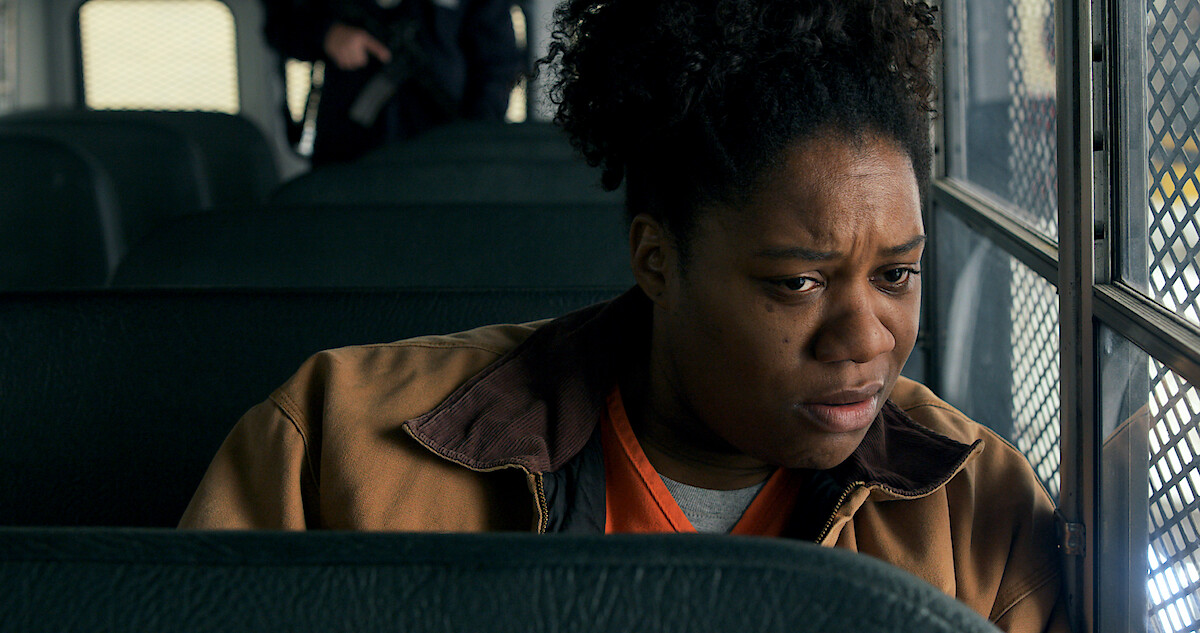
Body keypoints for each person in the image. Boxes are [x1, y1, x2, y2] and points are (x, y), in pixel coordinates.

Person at [183, 1, 1068, 630]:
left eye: (899, 274)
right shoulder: (336, 444)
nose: (869, 338)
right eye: (798, 283)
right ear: (657, 259)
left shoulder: (976, 506)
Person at [261, 0, 523, 165]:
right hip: (349, 145)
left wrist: (476, 138)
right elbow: (280, 22)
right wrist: (326, 33)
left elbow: (499, 63)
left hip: (445, 144)